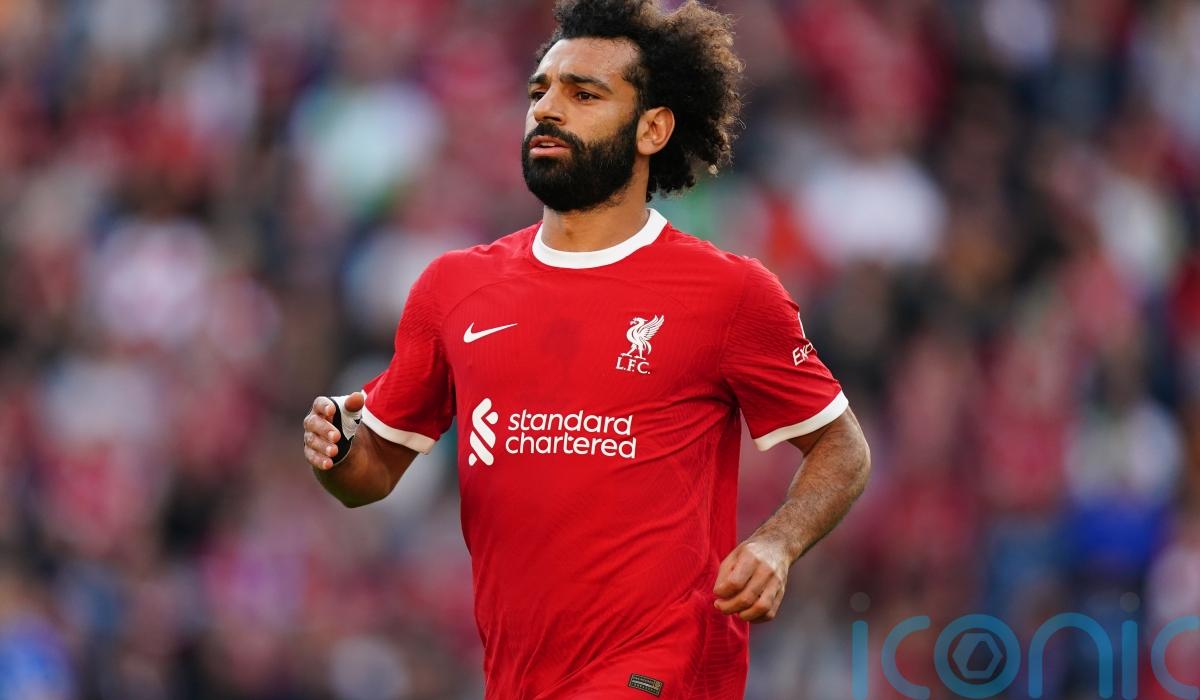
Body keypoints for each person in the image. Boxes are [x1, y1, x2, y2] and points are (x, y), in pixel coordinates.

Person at [301, 1, 871, 697]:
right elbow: (374, 473)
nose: (547, 109)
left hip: (662, 668)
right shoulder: (455, 288)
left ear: (653, 128)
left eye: (584, 94)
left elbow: (842, 448)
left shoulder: (731, 293)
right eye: (539, 90)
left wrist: (777, 542)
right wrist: (339, 453)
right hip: (520, 678)